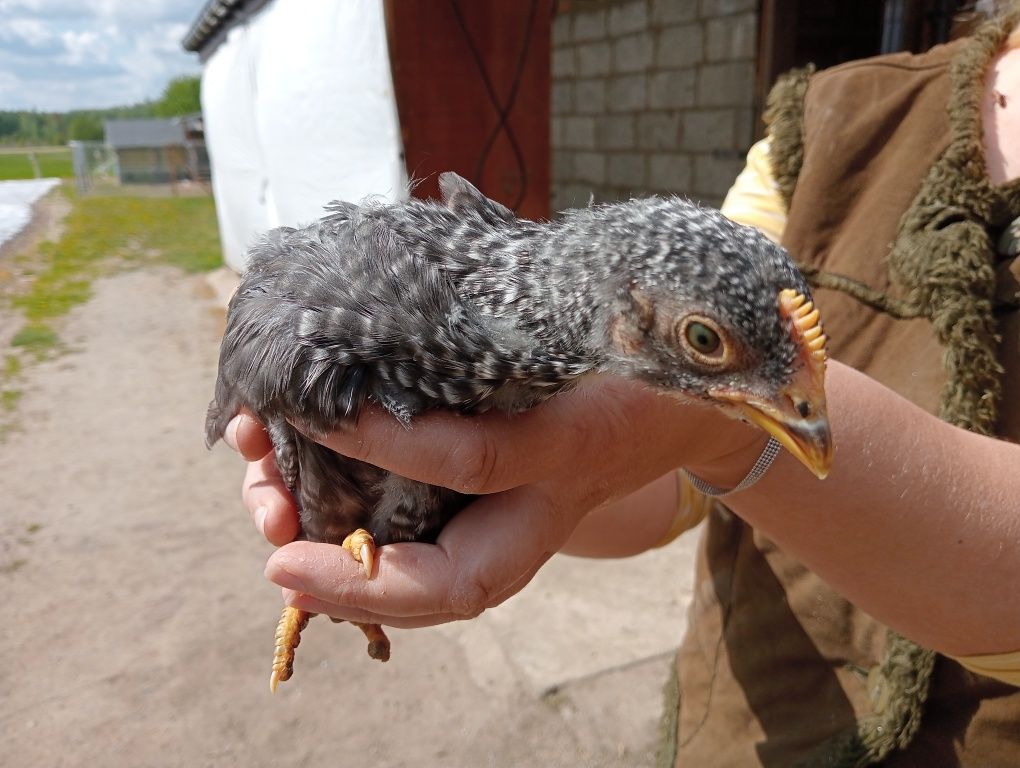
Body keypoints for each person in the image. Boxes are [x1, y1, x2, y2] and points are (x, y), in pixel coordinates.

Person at [223, 5, 1020, 765]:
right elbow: (645, 489)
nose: (816, 416)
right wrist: (504, 488)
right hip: (750, 729)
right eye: (706, 342)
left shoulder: (555, 352)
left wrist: (690, 424)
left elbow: (635, 448)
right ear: (623, 317)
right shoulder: (828, 118)